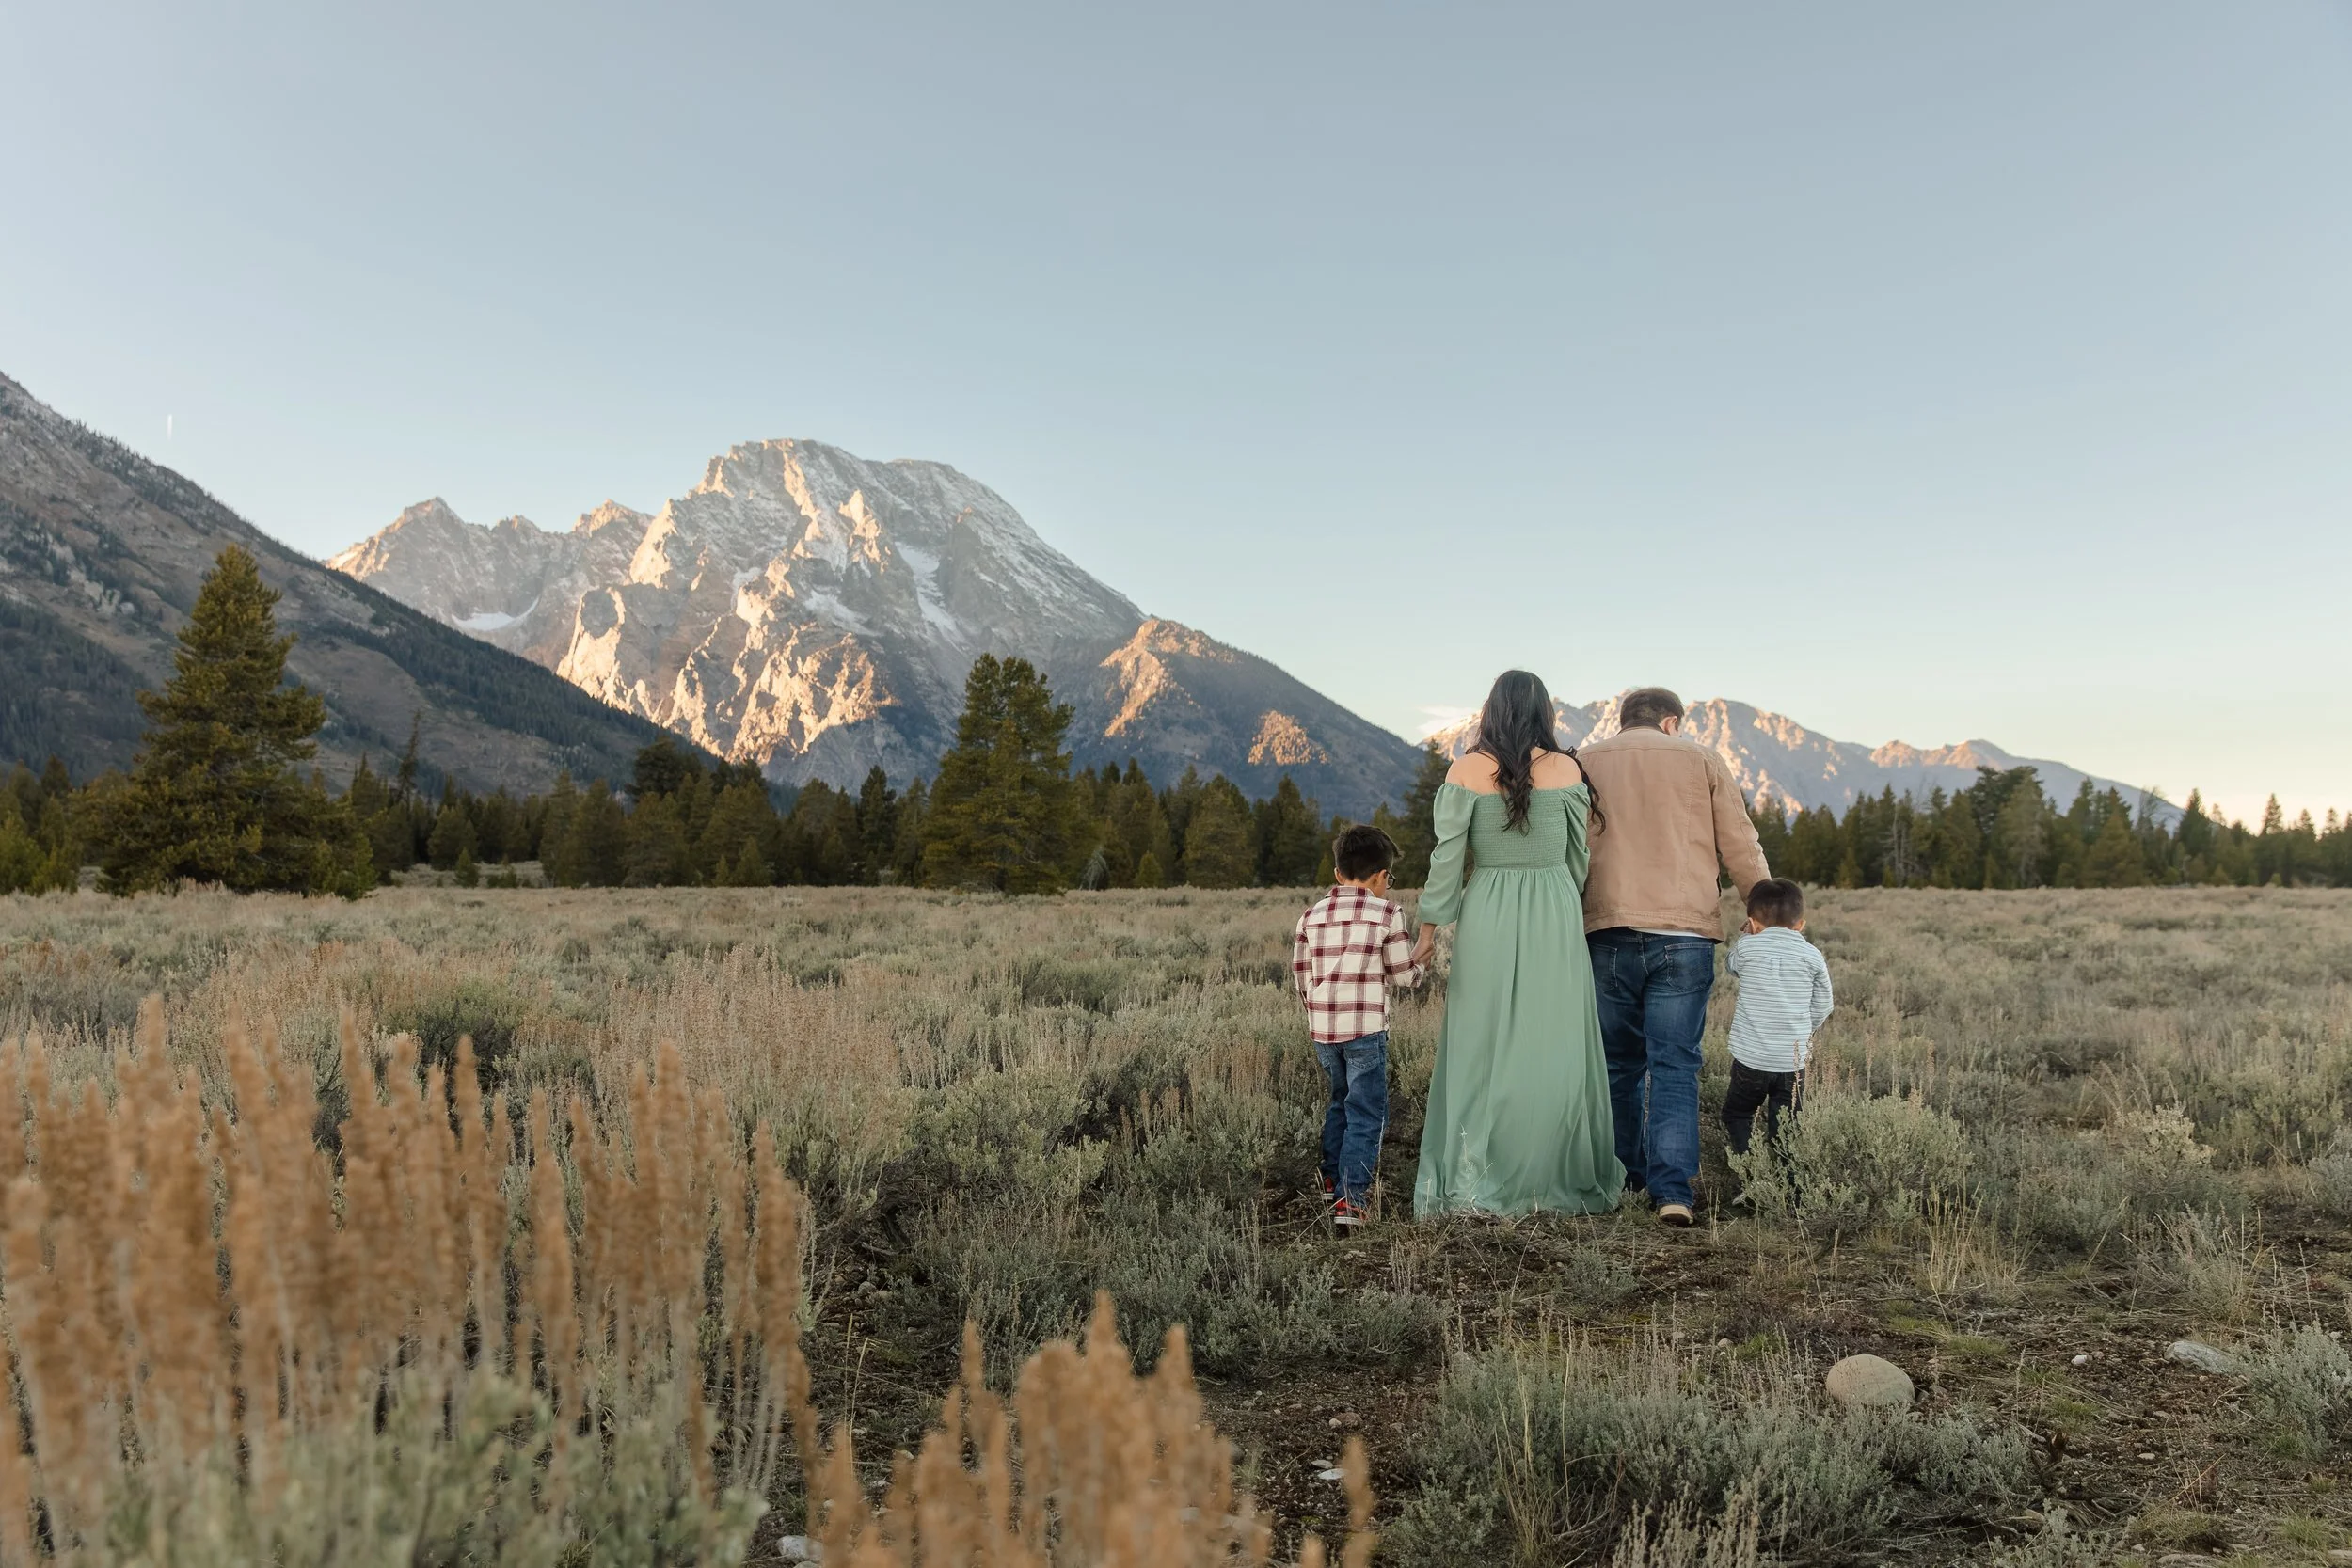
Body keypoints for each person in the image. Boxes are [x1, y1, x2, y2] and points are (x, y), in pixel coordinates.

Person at [1410, 670, 1622, 1217]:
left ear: (1492, 709)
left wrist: (1429, 930)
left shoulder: (1466, 768)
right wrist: (1560, 895)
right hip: (1554, 909)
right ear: (1544, 712)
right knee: (1554, 1038)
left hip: (1489, 910)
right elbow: (1579, 859)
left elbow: (1447, 861)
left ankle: (1478, 1173)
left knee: (1481, 1041)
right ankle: (1551, 1169)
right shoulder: (1567, 770)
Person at [1580, 687, 1771, 1227]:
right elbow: (1740, 842)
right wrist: (1763, 915)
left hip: (1606, 928)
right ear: (1670, 722)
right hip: (1683, 933)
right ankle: (1672, 1194)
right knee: (1675, 1065)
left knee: (1617, 1064)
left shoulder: (1585, 761)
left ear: (1623, 723)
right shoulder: (1702, 758)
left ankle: (1621, 1177)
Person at [1292, 823, 1425, 1228]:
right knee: (1366, 1113)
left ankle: (1331, 1184)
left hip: (1324, 1030)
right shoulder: (1388, 912)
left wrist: (1317, 1011)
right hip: (1365, 1029)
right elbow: (1402, 974)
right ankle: (1352, 1201)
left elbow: (1301, 974)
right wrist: (1421, 965)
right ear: (1381, 876)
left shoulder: (1310, 916)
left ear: (1337, 873)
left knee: (1339, 1103)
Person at [1723, 878, 1832, 1156]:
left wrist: (1747, 935)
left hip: (1751, 1059)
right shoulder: (1812, 956)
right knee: (1786, 1126)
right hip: (1791, 1062)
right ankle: (1787, 1185)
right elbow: (1824, 1003)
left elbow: (1731, 966)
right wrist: (1804, 1029)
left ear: (1753, 922)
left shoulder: (1747, 948)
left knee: (1738, 1114)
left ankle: (1748, 1169)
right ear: (1801, 925)